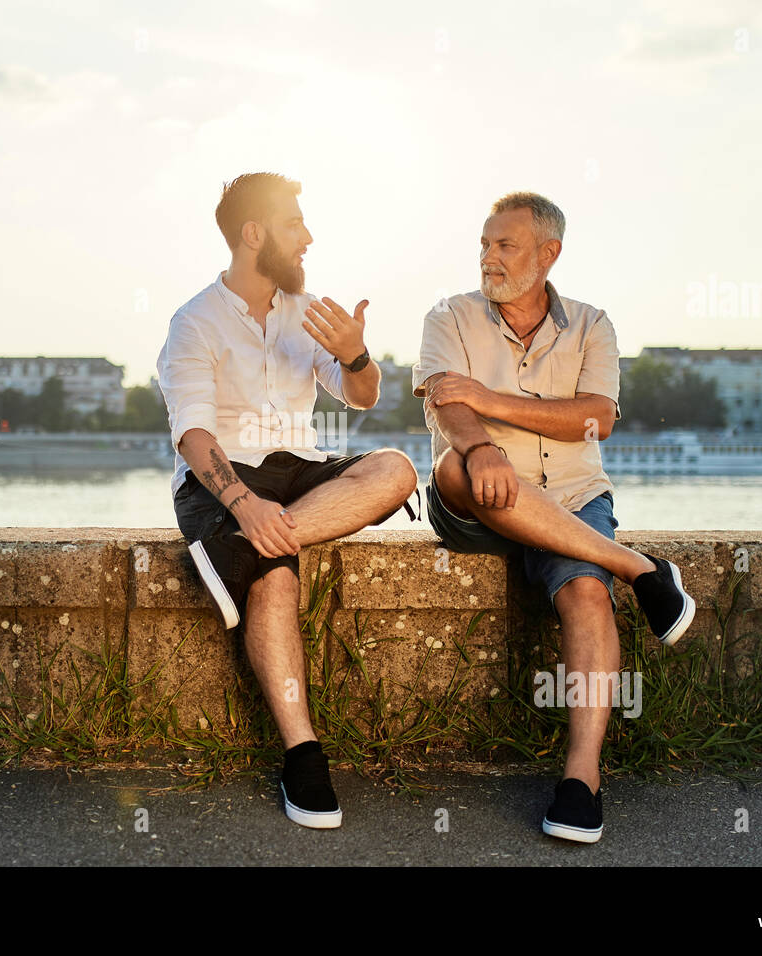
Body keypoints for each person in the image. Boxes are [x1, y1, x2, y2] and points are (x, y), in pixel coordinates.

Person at [413, 191, 696, 844]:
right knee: (457, 469)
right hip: (477, 493)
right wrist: (481, 440)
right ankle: (643, 570)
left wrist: (493, 401)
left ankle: (581, 780)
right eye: (484, 243)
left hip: (570, 499)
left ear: (548, 253)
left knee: (587, 595)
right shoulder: (448, 316)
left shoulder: (592, 324)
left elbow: (596, 417)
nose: (488, 256)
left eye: (504, 245)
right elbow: (447, 407)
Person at [156, 172, 419, 830]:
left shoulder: (307, 311)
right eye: (294, 223)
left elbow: (362, 397)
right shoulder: (193, 322)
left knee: (396, 469)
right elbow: (193, 433)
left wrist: (357, 356)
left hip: (299, 468)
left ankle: (232, 557)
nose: (308, 237)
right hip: (224, 477)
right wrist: (244, 504)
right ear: (254, 234)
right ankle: (303, 756)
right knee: (276, 580)